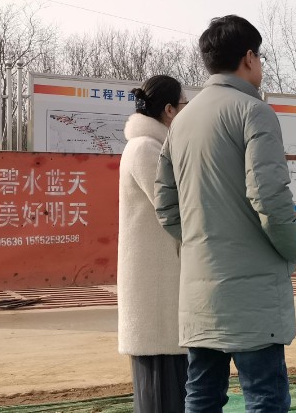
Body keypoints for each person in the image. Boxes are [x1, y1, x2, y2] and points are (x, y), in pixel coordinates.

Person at [154, 15, 296, 413]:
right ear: (249, 57)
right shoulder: (254, 112)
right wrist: (293, 248)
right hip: (252, 290)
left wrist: (198, 241)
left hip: (199, 289)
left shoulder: (181, 121)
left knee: (202, 395)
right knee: (264, 396)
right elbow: (269, 197)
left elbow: (165, 204)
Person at [118, 74, 189, 412]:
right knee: (161, 382)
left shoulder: (150, 146)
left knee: (167, 378)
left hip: (159, 278)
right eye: (184, 104)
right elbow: (172, 206)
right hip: (156, 283)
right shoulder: (146, 148)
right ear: (169, 110)